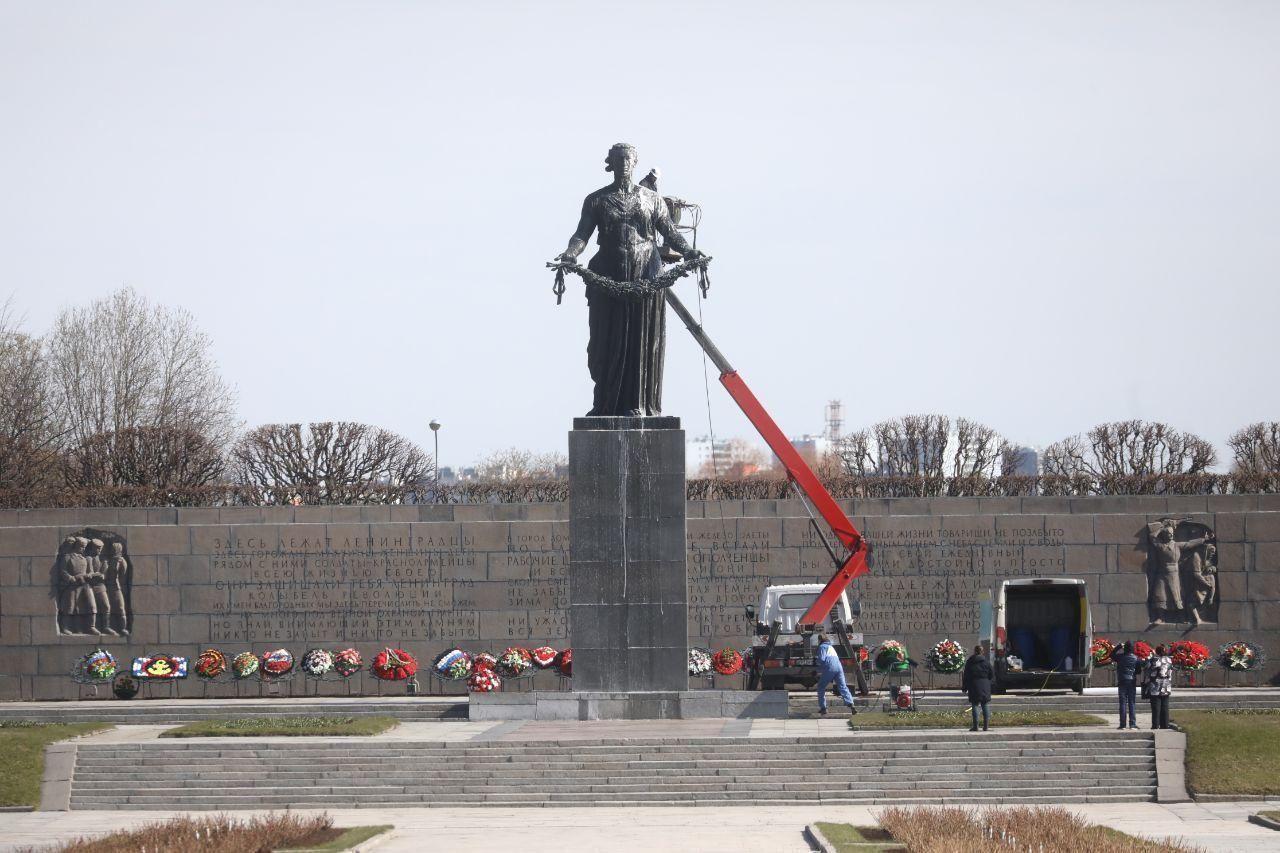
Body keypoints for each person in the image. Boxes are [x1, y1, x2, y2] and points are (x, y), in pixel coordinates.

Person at [555, 142, 705, 417]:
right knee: (603, 342)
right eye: (619, 159)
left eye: (628, 159)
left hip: (645, 275)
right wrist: (570, 253)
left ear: (635, 164)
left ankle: (638, 404)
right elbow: (581, 235)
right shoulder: (596, 200)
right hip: (607, 276)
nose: (624, 163)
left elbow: (669, 232)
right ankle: (604, 404)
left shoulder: (652, 199)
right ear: (610, 163)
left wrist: (689, 251)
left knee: (641, 340)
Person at [814, 634, 855, 717]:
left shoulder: (822, 647)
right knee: (843, 686)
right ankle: (851, 704)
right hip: (839, 667)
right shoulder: (831, 647)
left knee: (821, 687)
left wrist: (816, 666)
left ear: (820, 640)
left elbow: (822, 659)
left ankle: (823, 708)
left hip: (830, 668)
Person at [961, 645, 993, 732]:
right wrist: (988, 681)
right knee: (985, 704)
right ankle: (986, 726)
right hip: (985, 684)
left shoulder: (970, 662)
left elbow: (966, 675)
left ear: (974, 651)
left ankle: (976, 726)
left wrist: (964, 687)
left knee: (975, 704)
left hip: (974, 684)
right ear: (982, 652)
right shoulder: (986, 662)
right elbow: (991, 673)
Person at [1145, 644, 1174, 729]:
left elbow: (1147, 671)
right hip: (1166, 685)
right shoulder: (1169, 660)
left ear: (1157, 652)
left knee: (1156, 707)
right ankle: (1165, 724)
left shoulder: (1154, 660)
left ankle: (1155, 725)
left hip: (1155, 687)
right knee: (1165, 706)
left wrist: (1150, 657)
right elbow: (1170, 673)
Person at [1113, 641, 1141, 729]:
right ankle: (1132, 724)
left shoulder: (1120, 657)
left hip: (1122, 681)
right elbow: (1139, 671)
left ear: (1124, 648)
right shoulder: (1136, 658)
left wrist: (1118, 647)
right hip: (1132, 681)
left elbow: (1111, 655)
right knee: (1132, 703)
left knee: (1122, 703)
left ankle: (1122, 724)